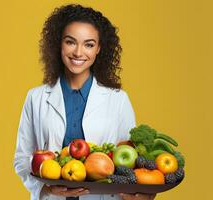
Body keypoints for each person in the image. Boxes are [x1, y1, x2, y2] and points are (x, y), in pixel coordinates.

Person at [13, 4, 156, 200]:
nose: (78, 52)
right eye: (70, 42)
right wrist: (46, 190)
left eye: (88, 44)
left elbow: (129, 161)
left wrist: (144, 194)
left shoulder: (118, 99)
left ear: (98, 49)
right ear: (59, 44)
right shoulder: (35, 98)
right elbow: (22, 159)